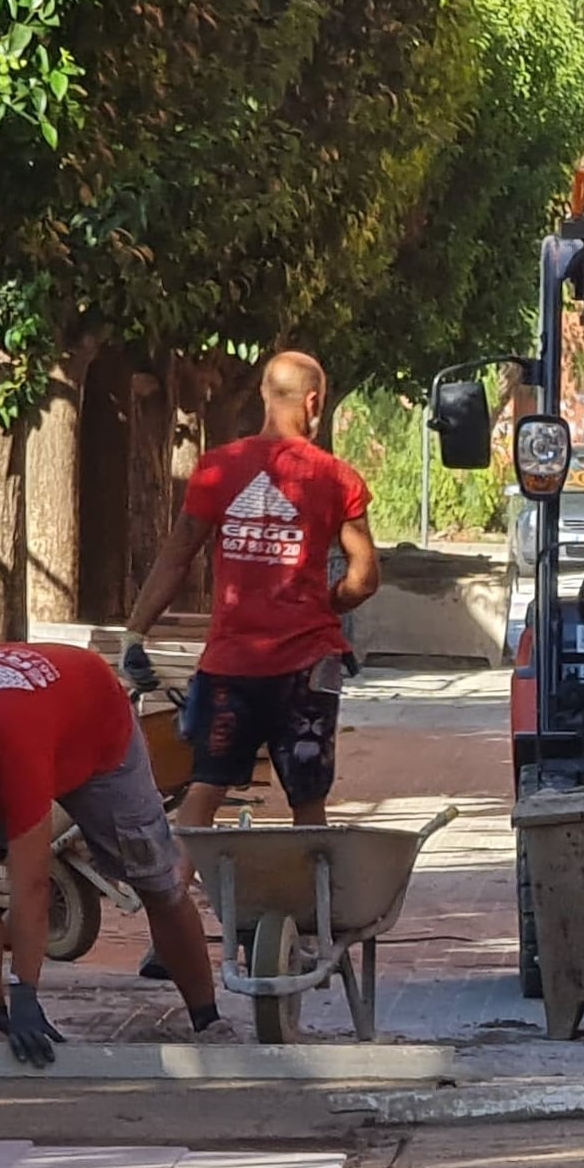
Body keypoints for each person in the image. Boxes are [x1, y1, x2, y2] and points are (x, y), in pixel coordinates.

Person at [0, 640, 226, 1059]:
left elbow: (32, 886)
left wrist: (27, 991)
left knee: (157, 881)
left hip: (97, 730)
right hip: (22, 721)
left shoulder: (18, 757)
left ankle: (208, 1021)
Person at [118, 350, 381, 831]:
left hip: (229, 667)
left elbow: (177, 555)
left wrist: (135, 632)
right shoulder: (336, 478)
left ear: (263, 395)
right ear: (315, 402)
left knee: (203, 790)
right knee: (308, 801)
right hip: (308, 667)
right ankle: (312, 904)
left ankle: (172, 902)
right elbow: (365, 578)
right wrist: (327, 603)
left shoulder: (218, 469)